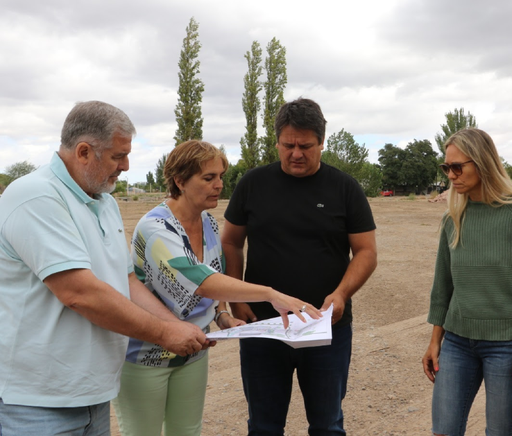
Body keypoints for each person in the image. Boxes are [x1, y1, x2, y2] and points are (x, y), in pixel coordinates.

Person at [0, 101, 208, 435]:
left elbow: (128, 282)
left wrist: (175, 324)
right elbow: (79, 293)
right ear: (83, 151)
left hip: (93, 396)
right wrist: (165, 334)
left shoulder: (105, 201)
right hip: (37, 403)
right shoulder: (36, 196)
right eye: (117, 156)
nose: (126, 166)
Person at [112, 140, 321, 436]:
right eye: (209, 178)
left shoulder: (209, 223)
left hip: (194, 350)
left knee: (187, 431)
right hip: (146, 354)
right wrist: (271, 294)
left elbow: (215, 275)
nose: (219, 185)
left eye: (221, 176)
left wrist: (221, 314)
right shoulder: (156, 227)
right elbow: (202, 280)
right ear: (180, 181)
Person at [221, 97, 378, 435]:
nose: (296, 153)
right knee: (263, 426)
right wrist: (237, 299)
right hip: (263, 326)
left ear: (322, 142)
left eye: (305, 146)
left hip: (326, 329)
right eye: (288, 145)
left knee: (327, 425)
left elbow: (366, 252)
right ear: (276, 141)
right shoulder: (252, 184)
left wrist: (341, 294)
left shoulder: (345, 188)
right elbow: (231, 241)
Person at [422, 128, 512, 435]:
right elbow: (443, 286)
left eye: (457, 167)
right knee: (443, 430)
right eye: (446, 168)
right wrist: (436, 341)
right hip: (457, 343)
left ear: (483, 162)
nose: (451, 175)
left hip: (509, 346)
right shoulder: (453, 218)